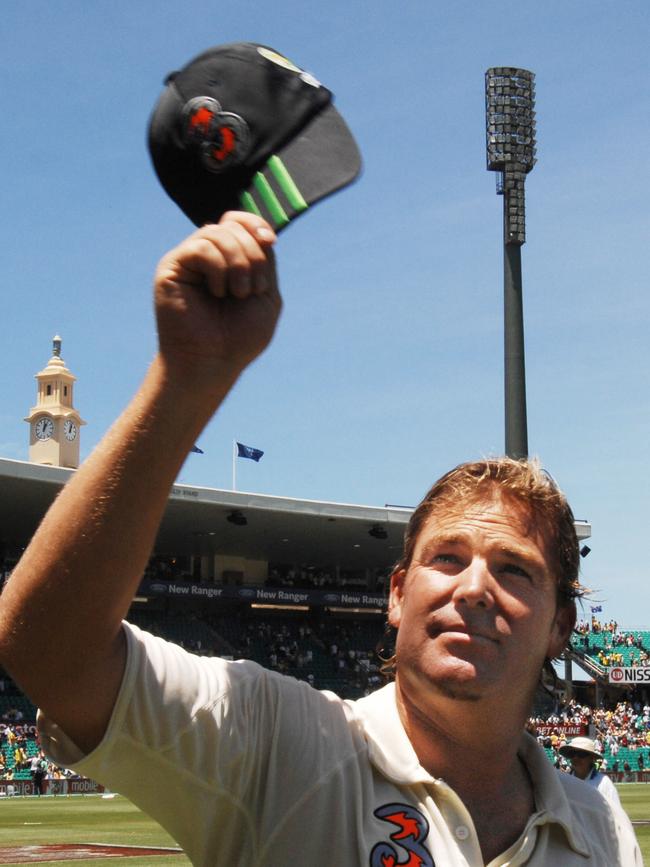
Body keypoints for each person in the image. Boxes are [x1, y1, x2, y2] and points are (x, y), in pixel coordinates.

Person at [0, 213, 641, 865]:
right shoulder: (279, 742)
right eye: (447, 556)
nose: (474, 586)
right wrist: (183, 380)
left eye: (514, 569)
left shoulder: (604, 832)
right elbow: (51, 651)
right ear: (396, 593)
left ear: (562, 625)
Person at [559, 736, 623, 810]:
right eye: (572, 754)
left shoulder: (604, 783)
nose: (576, 758)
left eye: (581, 754)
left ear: (591, 758)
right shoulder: (564, 783)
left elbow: (616, 814)